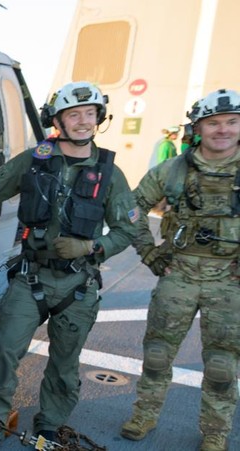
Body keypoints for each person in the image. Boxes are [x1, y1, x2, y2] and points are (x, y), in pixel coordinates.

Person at [0, 81, 138, 442]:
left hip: (77, 284)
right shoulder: (36, 160)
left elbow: (128, 231)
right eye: (74, 114)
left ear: (100, 118)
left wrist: (90, 248)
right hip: (31, 278)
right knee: (4, 352)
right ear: (58, 120)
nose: (83, 121)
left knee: (64, 365)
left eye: (90, 114)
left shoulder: (110, 173)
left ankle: (50, 422)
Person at [120, 88, 240, 451]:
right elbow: (130, 208)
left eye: (232, 122)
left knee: (221, 366)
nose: (223, 130)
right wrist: (149, 252)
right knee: (157, 355)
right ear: (198, 128)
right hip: (179, 276)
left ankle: (215, 432)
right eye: (213, 122)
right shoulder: (172, 170)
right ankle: (144, 414)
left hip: (229, 283)